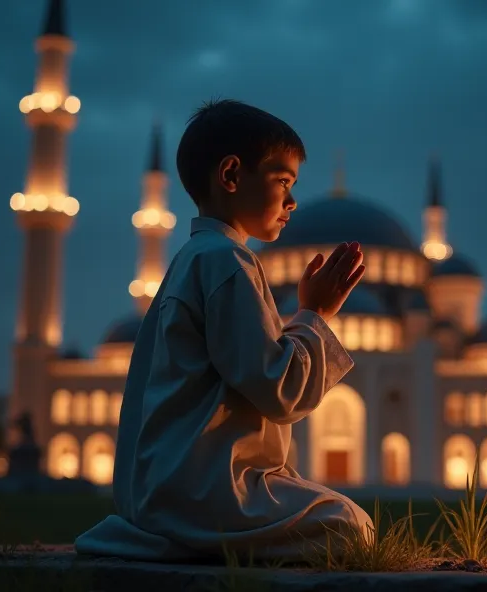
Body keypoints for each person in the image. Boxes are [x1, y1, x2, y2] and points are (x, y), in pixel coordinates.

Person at [75, 99, 372, 563]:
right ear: (231, 175)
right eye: (283, 182)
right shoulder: (228, 264)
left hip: (166, 488)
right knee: (352, 526)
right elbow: (278, 390)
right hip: (204, 492)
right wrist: (314, 314)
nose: (293, 201)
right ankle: (191, 539)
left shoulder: (190, 261)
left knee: (313, 502)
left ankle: (162, 536)